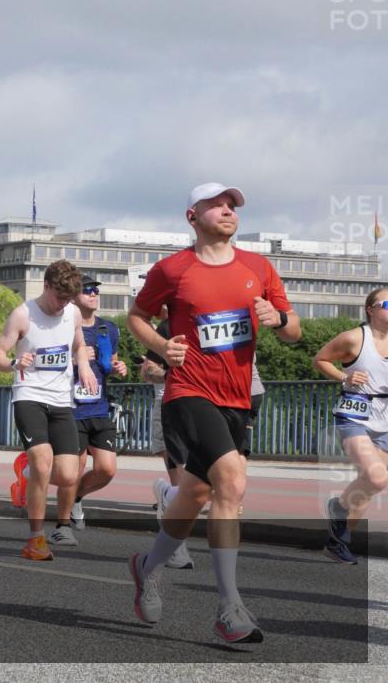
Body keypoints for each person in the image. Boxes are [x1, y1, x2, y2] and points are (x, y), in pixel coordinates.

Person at [126, 183, 299, 644]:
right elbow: (136, 316)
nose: (227, 210)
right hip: (188, 391)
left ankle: (147, 566)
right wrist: (163, 347)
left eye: (233, 205)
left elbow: (294, 331)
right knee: (232, 482)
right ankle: (229, 608)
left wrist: (278, 319)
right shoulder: (173, 269)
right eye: (216, 205)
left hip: (237, 398)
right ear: (192, 216)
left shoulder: (258, 268)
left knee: (195, 493)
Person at [0, 261, 96, 559]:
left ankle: (27, 473)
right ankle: (35, 539)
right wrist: (13, 363)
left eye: (68, 299)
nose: (63, 304)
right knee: (42, 463)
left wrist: (85, 366)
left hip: (62, 399)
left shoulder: (73, 313)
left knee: (67, 475)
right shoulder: (23, 315)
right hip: (29, 395)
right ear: (46, 286)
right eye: (59, 297)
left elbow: (78, 345)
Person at [50, 274, 129, 547]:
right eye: (88, 290)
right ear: (73, 297)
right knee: (76, 467)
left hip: (99, 407)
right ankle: (61, 526)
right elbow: (46, 360)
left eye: (96, 290)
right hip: (70, 409)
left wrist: (120, 368)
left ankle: (76, 500)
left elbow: (114, 361)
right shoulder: (61, 326)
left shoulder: (108, 328)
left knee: (107, 469)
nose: (94, 294)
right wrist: (75, 359)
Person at [313, 287, 388, 565]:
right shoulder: (355, 338)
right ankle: (338, 508)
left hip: (386, 417)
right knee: (378, 476)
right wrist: (344, 378)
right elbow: (320, 359)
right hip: (354, 414)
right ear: (371, 309)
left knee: (369, 483)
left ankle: (336, 541)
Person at [142, 316, 195, 570]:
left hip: (210, 408)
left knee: (212, 486)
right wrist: (173, 373)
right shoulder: (168, 326)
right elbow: (147, 370)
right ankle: (177, 549)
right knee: (184, 482)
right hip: (171, 405)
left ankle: (167, 495)